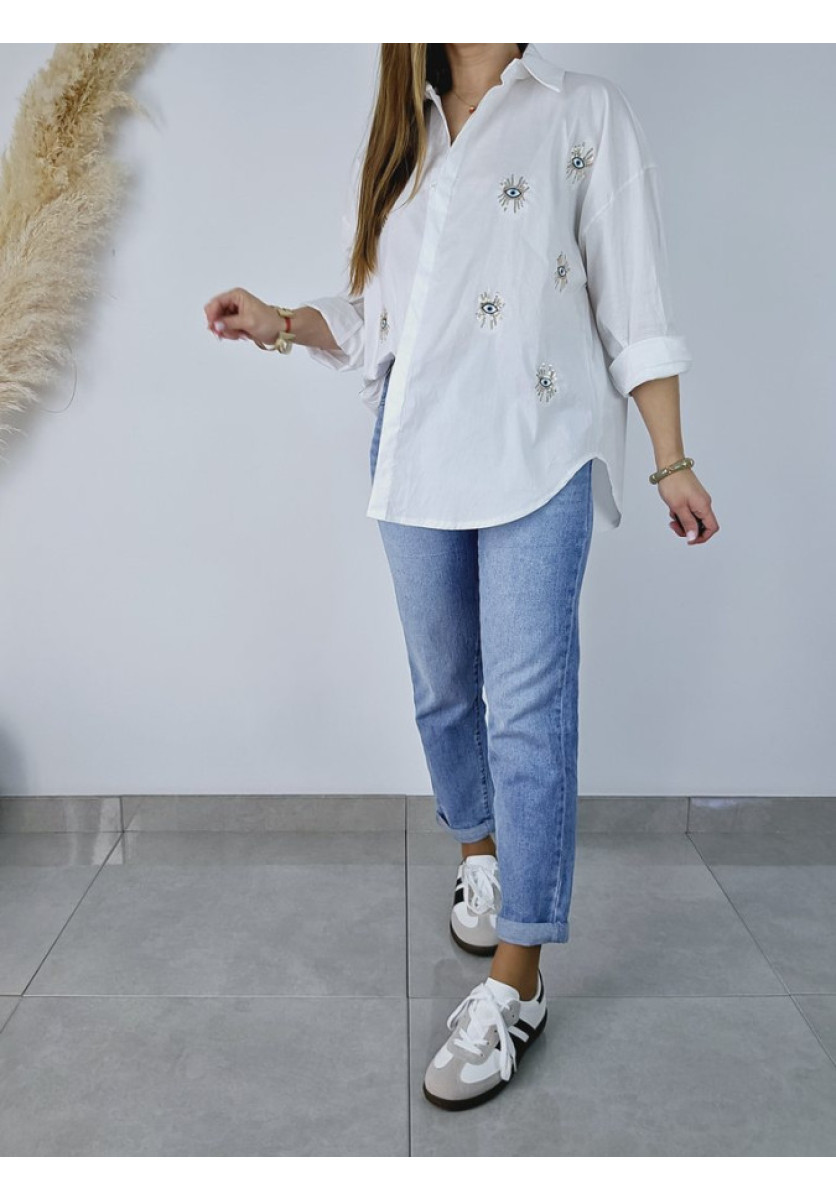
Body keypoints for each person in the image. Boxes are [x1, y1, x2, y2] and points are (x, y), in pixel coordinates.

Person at [204, 42, 719, 1112]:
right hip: (415, 450)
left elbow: (635, 303)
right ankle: (479, 852)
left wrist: (670, 458)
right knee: (443, 689)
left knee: (526, 709)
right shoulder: (404, 129)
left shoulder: (582, 113)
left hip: (542, 447)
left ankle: (516, 980)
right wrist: (281, 322)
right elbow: (380, 322)